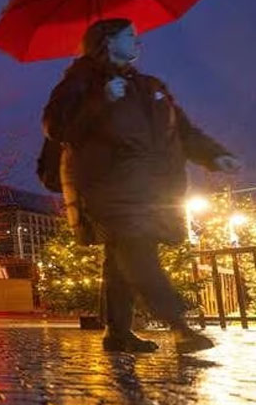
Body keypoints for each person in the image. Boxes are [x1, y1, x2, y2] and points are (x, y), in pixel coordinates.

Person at [43, 18, 241, 353]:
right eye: (130, 36)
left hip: (152, 188)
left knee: (121, 258)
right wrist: (99, 101)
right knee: (137, 251)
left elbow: (182, 131)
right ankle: (180, 326)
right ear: (107, 41)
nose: (138, 41)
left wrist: (214, 156)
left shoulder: (150, 86)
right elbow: (57, 127)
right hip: (107, 186)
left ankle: (117, 332)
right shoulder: (80, 82)